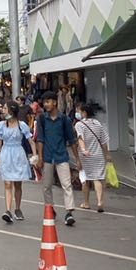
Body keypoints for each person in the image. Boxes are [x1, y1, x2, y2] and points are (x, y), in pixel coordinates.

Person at [35, 91, 81, 227]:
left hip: (61, 156)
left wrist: (77, 159)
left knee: (66, 185)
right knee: (46, 186)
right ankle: (50, 209)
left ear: (55, 102)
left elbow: (71, 140)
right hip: (48, 157)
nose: (46, 104)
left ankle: (69, 212)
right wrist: (40, 157)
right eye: (44, 102)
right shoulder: (42, 119)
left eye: (48, 101)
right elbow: (40, 139)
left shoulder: (64, 120)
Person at [0, 106, 34, 223]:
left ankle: (17, 208)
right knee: (7, 183)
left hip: (18, 154)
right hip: (6, 153)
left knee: (18, 184)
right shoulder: (1, 125)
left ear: (12, 111)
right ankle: (7, 210)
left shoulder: (21, 125)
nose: (3, 110)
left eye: (5, 108)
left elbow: (30, 140)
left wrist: (35, 155)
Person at [74, 101, 110, 212]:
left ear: (84, 112)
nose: (78, 113)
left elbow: (80, 138)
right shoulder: (97, 123)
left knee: (85, 179)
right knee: (97, 178)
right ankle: (100, 202)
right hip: (98, 155)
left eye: (79, 111)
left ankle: (86, 203)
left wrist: (84, 150)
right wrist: (107, 155)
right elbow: (104, 141)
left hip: (85, 156)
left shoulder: (79, 124)